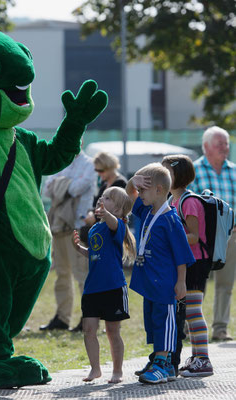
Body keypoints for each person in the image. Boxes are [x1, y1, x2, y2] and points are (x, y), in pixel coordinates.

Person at [126, 163, 195, 384]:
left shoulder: (171, 219)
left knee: (166, 322)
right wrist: (133, 181)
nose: (139, 194)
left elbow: (182, 255)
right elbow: (129, 196)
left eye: (143, 189)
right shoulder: (146, 210)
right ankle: (158, 360)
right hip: (150, 281)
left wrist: (181, 282)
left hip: (165, 283)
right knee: (154, 322)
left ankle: (163, 364)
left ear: (158, 189)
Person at [73, 186, 136, 383]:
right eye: (103, 196)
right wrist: (80, 248)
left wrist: (107, 213)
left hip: (113, 288)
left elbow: (112, 221)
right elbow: (94, 254)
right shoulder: (94, 228)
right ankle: (95, 369)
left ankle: (117, 371)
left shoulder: (117, 224)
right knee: (89, 329)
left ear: (118, 209)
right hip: (92, 289)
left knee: (112, 331)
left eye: (108, 198)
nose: (102, 198)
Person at [162, 154, 214, 377]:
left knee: (193, 312)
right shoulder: (173, 201)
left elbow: (194, 236)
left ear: (176, 175)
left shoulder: (188, 201)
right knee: (187, 312)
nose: (161, 177)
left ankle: (203, 359)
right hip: (186, 261)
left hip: (196, 263)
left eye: (165, 172)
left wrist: (172, 235)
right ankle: (196, 358)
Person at [40, 150, 96, 332]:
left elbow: (78, 188)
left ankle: (88, 318)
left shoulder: (88, 163)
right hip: (59, 225)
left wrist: (61, 183)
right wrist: (66, 184)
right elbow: (47, 189)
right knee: (62, 274)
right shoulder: (61, 159)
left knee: (82, 274)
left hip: (78, 225)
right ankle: (62, 318)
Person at [188, 126, 236, 342]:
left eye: (226, 144)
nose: (224, 148)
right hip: (203, 237)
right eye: (219, 144)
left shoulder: (234, 171)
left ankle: (220, 328)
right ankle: (192, 328)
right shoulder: (194, 171)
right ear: (206, 147)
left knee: (225, 284)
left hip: (230, 235)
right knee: (198, 281)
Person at [82, 152, 127, 242]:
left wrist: (94, 216)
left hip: (111, 231)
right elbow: (96, 203)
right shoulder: (104, 184)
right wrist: (91, 213)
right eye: (97, 170)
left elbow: (116, 209)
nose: (99, 173)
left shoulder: (120, 183)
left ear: (109, 167)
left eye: (101, 170)